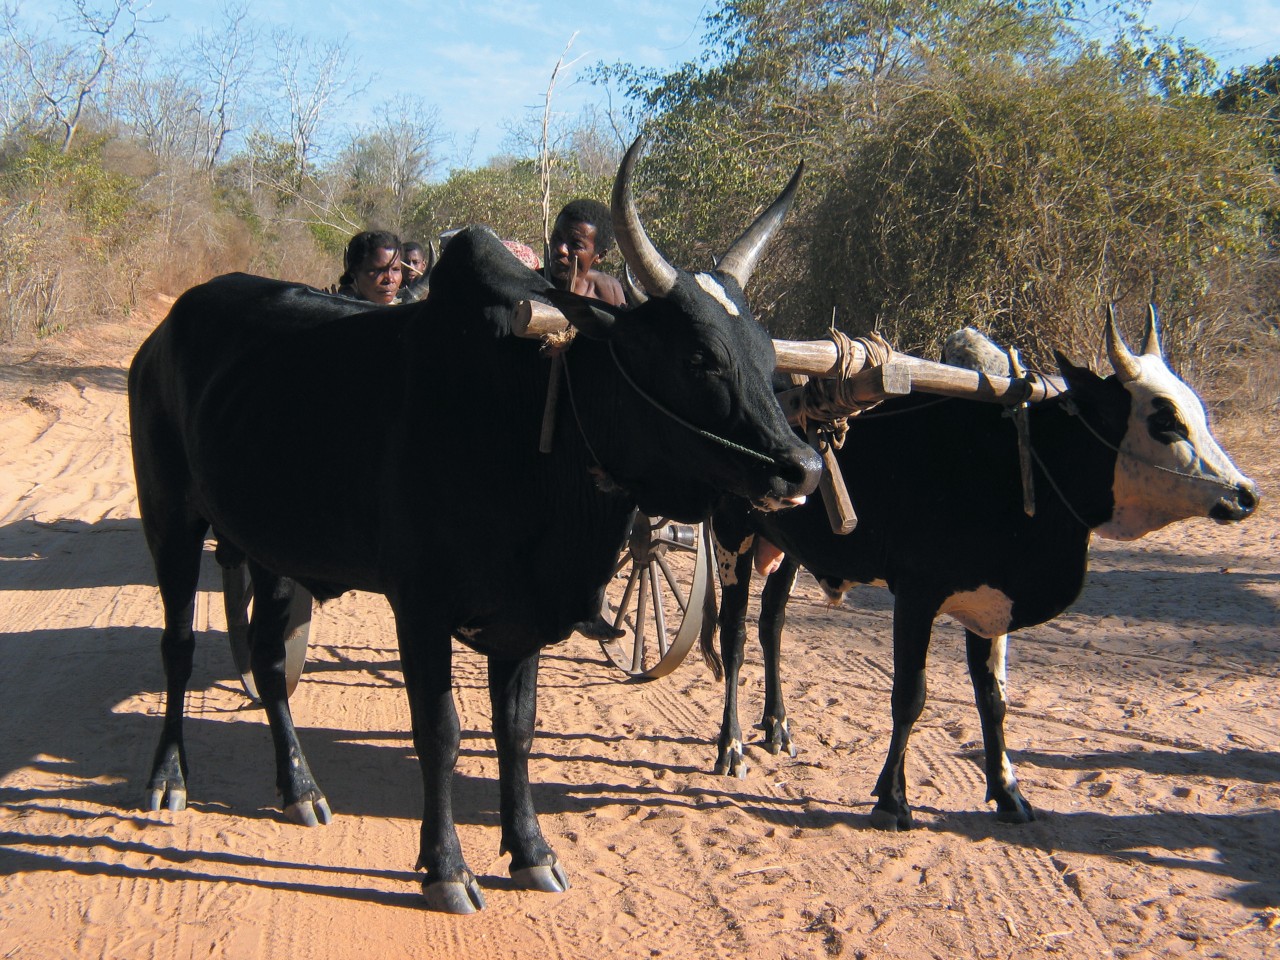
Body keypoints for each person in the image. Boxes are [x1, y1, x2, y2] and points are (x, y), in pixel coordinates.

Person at [547, 199, 625, 307]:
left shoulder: (608, 292)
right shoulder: (528, 287)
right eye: (557, 237)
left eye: (575, 245)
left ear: (600, 256)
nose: (560, 249)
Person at [333, 230, 404, 305]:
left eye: (395, 269)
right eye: (378, 270)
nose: (390, 279)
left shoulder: (407, 314)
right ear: (354, 272)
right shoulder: (345, 314)